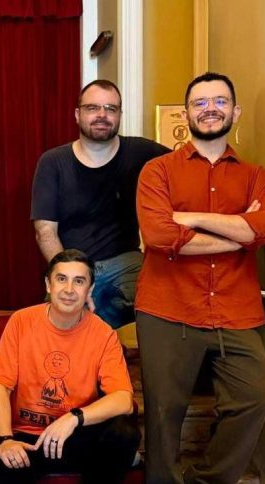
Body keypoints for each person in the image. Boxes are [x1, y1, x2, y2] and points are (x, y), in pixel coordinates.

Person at [135, 72, 265, 483]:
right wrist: (241, 235)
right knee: (165, 415)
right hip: (167, 308)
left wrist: (195, 219)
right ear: (187, 114)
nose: (210, 109)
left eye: (220, 101)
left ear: (235, 111)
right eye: (200, 102)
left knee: (255, 400)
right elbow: (160, 235)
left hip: (236, 310)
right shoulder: (157, 171)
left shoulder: (257, 176)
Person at [0, 249, 140, 483]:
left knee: (123, 433)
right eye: (61, 279)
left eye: (79, 281)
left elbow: (123, 399)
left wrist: (73, 418)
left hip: (76, 435)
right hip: (29, 438)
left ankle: (126, 456)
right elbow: (0, 388)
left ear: (90, 290)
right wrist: (5, 440)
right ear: (48, 284)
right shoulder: (21, 321)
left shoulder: (103, 333)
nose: (69, 290)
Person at [31, 79, 170, 329]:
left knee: (163, 306)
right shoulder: (53, 162)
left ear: (119, 115)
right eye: (93, 108)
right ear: (77, 114)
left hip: (126, 263)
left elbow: (190, 168)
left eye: (111, 108)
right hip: (73, 262)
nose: (102, 115)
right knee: (58, 332)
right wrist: (70, 279)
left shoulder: (142, 152)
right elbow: (45, 231)